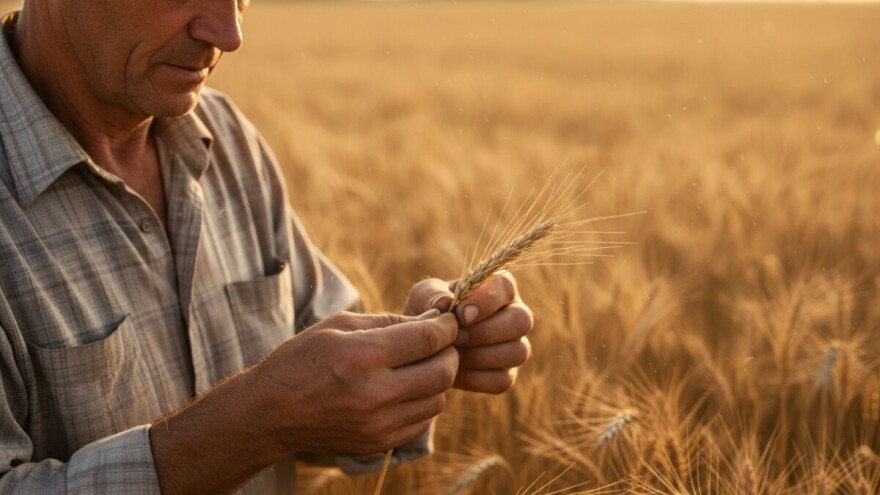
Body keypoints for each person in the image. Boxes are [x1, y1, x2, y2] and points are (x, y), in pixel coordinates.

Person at [0, 0, 534, 493]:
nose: (229, 34)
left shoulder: (227, 137)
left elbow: (319, 370)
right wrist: (256, 421)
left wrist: (418, 352)